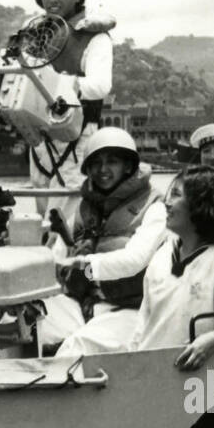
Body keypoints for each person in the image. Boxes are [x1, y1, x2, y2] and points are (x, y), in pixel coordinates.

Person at [46, 128, 168, 356]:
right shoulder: (83, 209)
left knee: (77, 347)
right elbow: (56, 257)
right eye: (96, 164)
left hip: (131, 311)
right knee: (30, 322)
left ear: (128, 166)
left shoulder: (155, 207)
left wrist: (85, 266)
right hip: (83, 304)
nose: (103, 170)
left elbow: (135, 260)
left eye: (112, 162)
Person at [127, 166, 214, 369]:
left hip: (193, 374)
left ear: (200, 205)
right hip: (149, 369)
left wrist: (211, 340)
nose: (167, 203)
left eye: (176, 195)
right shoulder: (162, 254)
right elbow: (143, 320)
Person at [25, 0, 114, 226]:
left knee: (63, 215)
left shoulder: (95, 36)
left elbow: (99, 86)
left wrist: (58, 85)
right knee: (42, 210)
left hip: (76, 135)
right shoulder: (35, 35)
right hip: (39, 134)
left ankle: (61, 262)